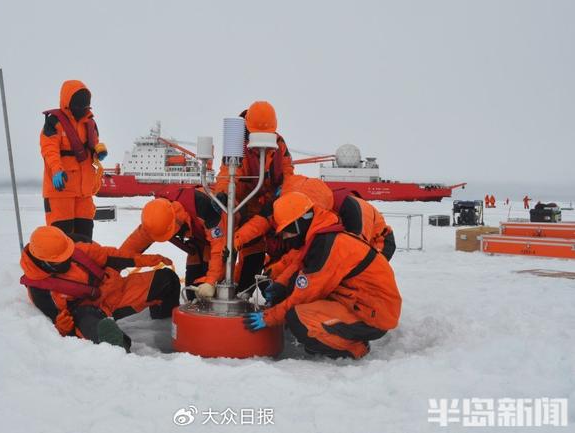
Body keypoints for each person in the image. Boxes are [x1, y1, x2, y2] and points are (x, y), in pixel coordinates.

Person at [243, 192, 402, 360]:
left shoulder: (328, 246)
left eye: (287, 231)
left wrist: (269, 317)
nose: (285, 237)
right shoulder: (320, 238)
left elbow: (303, 295)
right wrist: (281, 285)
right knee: (293, 301)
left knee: (298, 319)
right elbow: (298, 264)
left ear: (298, 224)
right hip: (354, 301)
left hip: (372, 314)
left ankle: (355, 347)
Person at [19, 226, 178, 351]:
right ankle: (118, 347)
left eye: (68, 255)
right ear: (44, 263)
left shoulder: (74, 245)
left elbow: (110, 256)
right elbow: (56, 321)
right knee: (94, 326)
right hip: (88, 313)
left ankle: (164, 323)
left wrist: (144, 260)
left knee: (167, 280)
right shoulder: (39, 290)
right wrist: (62, 327)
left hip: (113, 289)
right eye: (61, 260)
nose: (67, 259)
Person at [214, 101, 295, 293]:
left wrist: (281, 196)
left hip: (269, 209)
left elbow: (288, 174)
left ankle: (244, 294)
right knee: (228, 251)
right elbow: (227, 173)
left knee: (255, 258)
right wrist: (223, 195)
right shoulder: (236, 144)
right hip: (240, 206)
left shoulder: (279, 144)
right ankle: (223, 289)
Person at [119, 187, 227, 299]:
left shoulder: (206, 208)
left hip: (226, 236)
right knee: (192, 287)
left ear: (176, 225)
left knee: (214, 289)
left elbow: (220, 248)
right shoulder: (157, 217)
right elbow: (134, 243)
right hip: (200, 240)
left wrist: (211, 282)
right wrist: (113, 265)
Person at [40, 80, 108, 240]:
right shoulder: (54, 122)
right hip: (61, 190)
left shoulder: (90, 123)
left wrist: (99, 152)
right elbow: (49, 150)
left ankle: (83, 265)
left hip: (84, 193)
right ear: (67, 102)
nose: (82, 108)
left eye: (85, 105)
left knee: (84, 238)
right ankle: (58, 265)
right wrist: (57, 170)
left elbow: (93, 144)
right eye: (78, 104)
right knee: (61, 238)